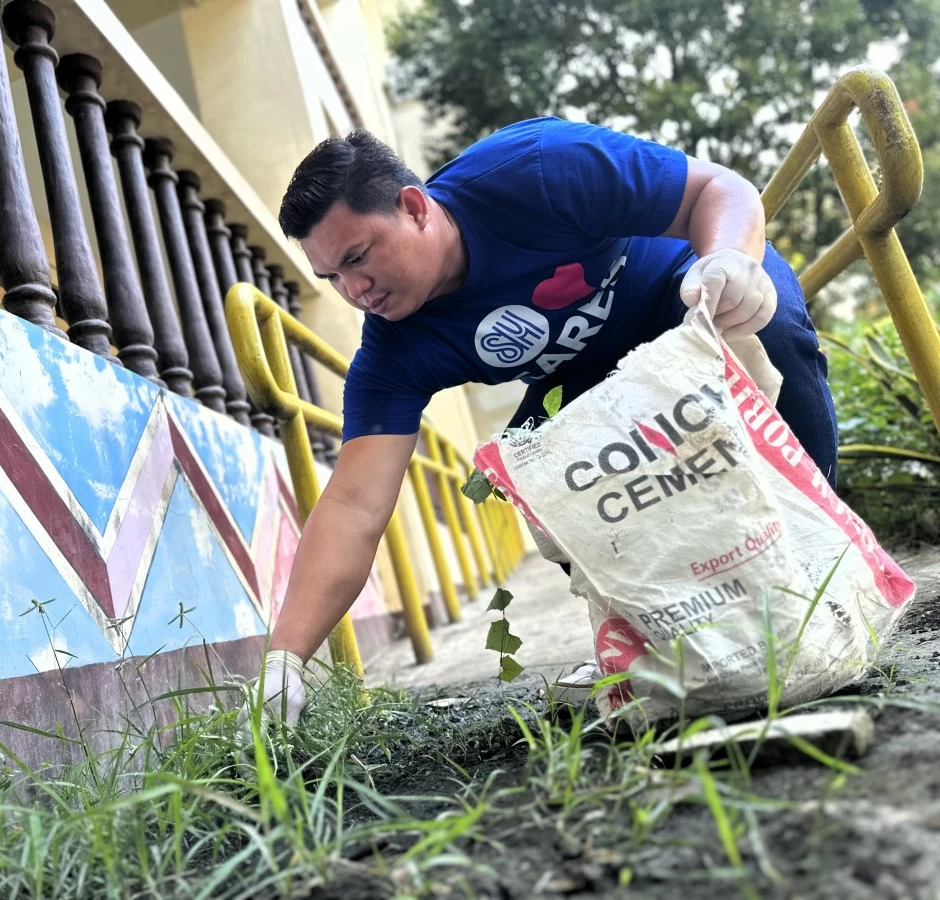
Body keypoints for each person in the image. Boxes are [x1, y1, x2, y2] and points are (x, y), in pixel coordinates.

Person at [253, 118, 838, 727]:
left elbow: (719, 189)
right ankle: (657, 633)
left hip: (685, 292)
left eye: (357, 257)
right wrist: (286, 656)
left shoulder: (537, 170)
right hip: (586, 375)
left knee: (768, 332)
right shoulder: (392, 353)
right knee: (535, 458)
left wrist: (728, 260)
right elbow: (353, 504)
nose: (354, 290)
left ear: (413, 207)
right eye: (332, 278)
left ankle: (824, 576)